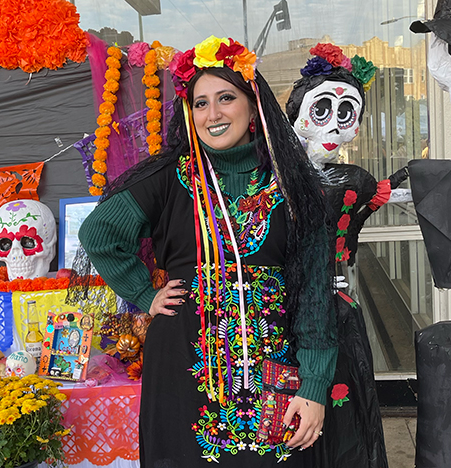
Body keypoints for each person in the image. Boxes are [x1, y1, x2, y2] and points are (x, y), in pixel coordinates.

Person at [77, 36, 337, 467]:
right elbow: (99, 233)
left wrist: (314, 387)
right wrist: (145, 294)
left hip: (275, 372)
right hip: (184, 370)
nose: (213, 114)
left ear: (253, 105)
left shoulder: (290, 184)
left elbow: (313, 295)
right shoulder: (168, 177)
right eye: (200, 103)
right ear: (188, 113)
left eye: (225, 98)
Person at [285, 43, 406, 468]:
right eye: (322, 110)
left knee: (344, 399)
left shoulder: (355, 178)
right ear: (295, 116)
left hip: (335, 304)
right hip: (281, 309)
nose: (334, 125)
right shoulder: (274, 178)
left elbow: (370, 207)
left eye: (346, 112)